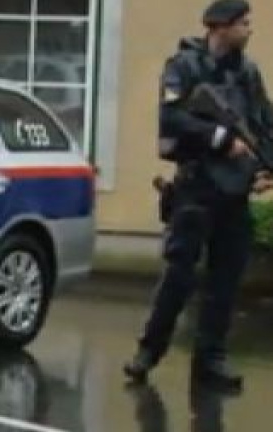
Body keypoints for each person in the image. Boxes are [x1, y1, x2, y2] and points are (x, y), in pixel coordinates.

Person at [124, 0, 273, 391]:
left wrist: (266, 168)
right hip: (196, 187)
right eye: (243, 23)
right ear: (220, 26)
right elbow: (170, 117)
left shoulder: (247, 73)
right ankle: (148, 352)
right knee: (179, 275)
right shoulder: (184, 66)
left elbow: (265, 124)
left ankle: (210, 361)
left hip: (234, 192)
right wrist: (221, 139)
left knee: (225, 281)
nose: (249, 29)